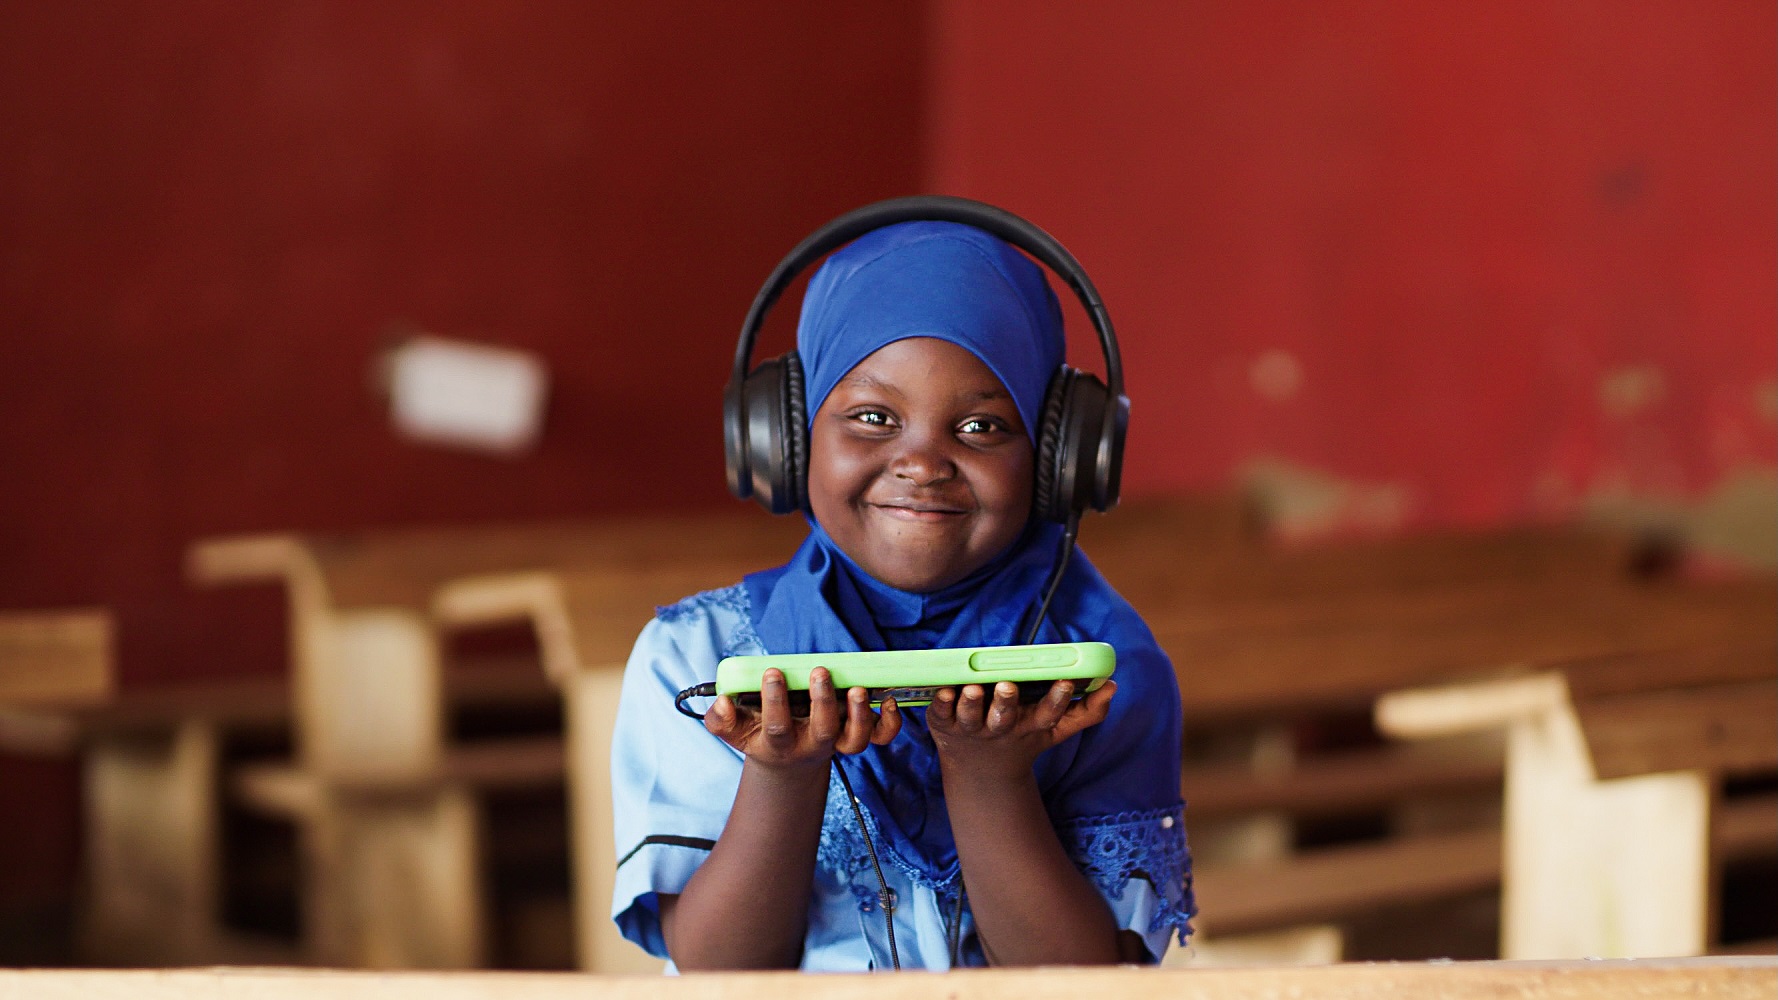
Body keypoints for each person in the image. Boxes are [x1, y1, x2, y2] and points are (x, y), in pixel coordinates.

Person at [610, 218, 1193, 971]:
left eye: (982, 425)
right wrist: (782, 775)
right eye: (873, 418)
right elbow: (719, 972)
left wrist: (990, 782)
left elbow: (1088, 983)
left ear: (1060, 461)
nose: (921, 462)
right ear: (784, 442)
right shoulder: (696, 662)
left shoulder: (1101, 674)